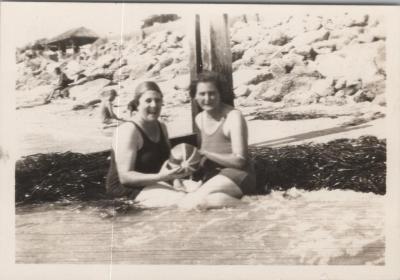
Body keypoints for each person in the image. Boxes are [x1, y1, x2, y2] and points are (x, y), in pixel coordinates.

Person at [178, 71, 256, 209]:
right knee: (201, 201)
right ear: (194, 96)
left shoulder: (233, 117)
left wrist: (207, 153)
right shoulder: (199, 119)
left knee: (192, 202)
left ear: (220, 94)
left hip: (238, 175)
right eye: (202, 94)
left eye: (212, 93)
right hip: (215, 176)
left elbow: (240, 160)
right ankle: (248, 205)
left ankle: (252, 207)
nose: (207, 98)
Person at [106, 81, 190, 207]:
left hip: (154, 181)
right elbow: (125, 177)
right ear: (137, 104)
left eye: (158, 100)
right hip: (126, 189)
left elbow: (167, 162)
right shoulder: (128, 130)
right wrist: (162, 177)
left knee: (201, 192)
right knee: (184, 201)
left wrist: (176, 180)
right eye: (148, 101)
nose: (154, 105)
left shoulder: (162, 127)